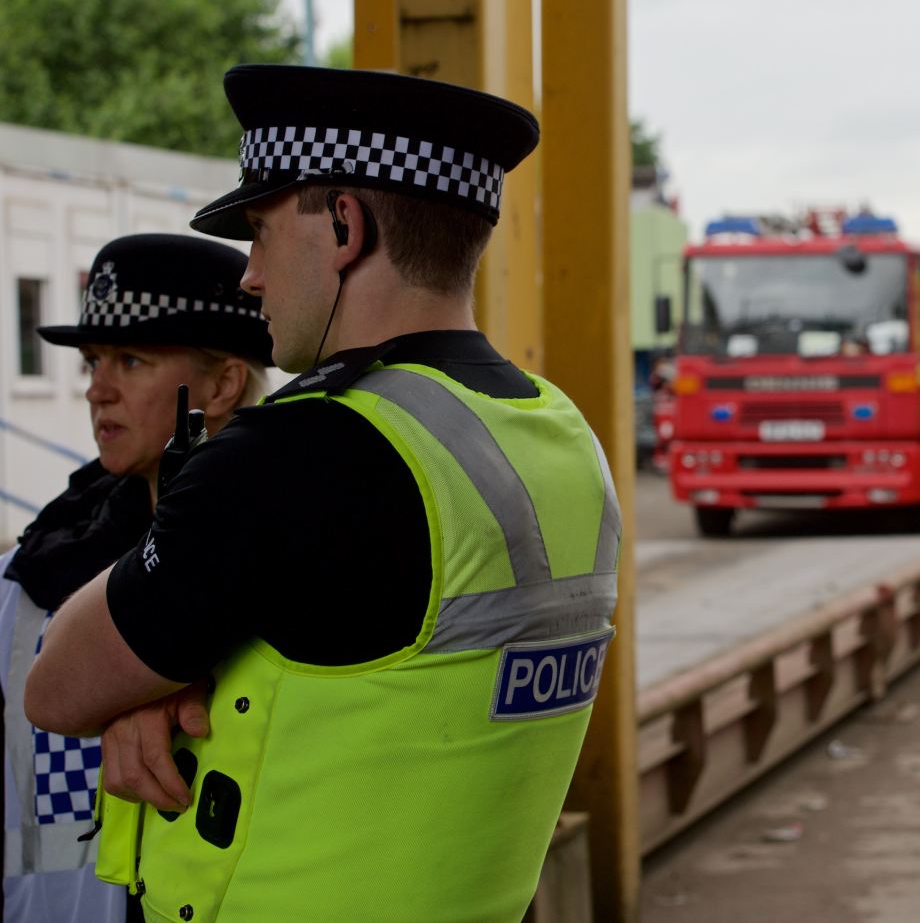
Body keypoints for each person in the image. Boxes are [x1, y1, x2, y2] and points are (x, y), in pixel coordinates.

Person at [25, 65, 620, 922]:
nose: (250, 277)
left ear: (344, 224)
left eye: (262, 232)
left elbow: (58, 687)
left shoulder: (305, 447)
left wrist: (148, 685)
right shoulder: (559, 435)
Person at [3, 235, 271, 923]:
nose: (97, 388)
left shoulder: (297, 566)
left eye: (131, 359)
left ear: (223, 383)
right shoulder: (31, 577)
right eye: (94, 360)